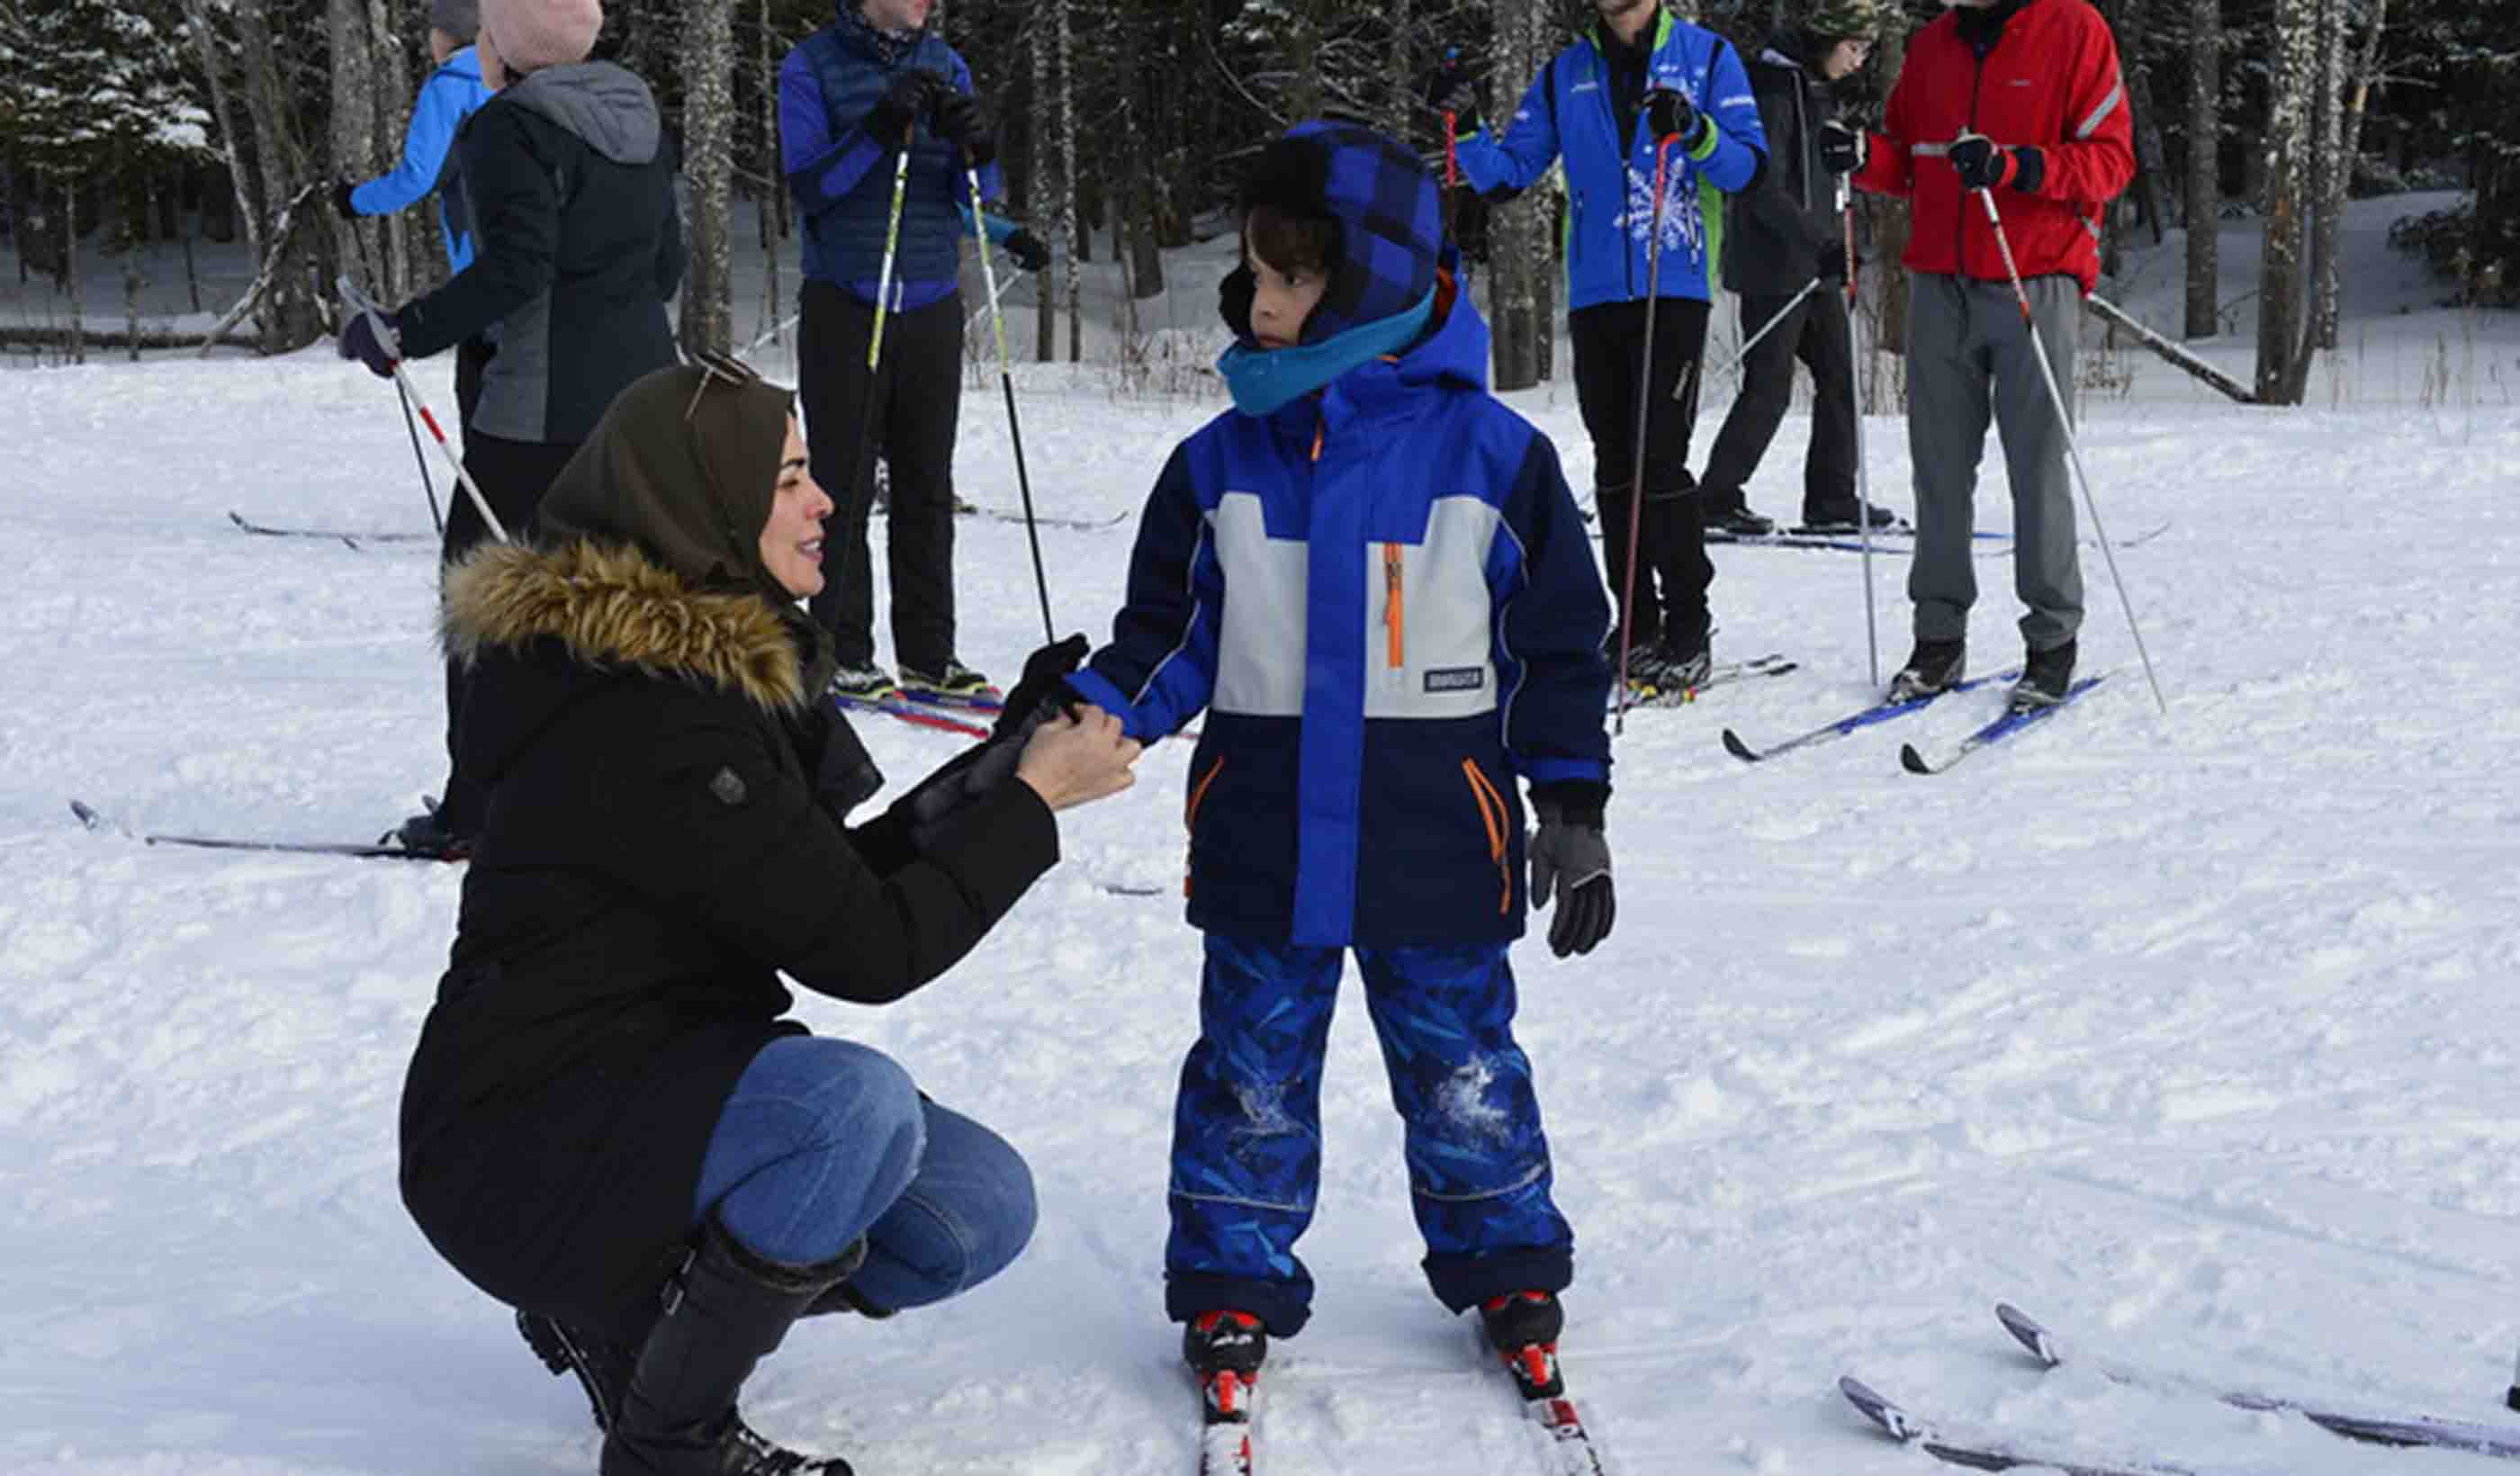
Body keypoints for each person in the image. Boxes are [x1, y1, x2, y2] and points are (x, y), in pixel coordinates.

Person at [398, 360, 1142, 1476]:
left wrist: (1004, 765)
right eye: (789, 473)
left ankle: (622, 1316)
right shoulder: (642, 712)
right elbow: (869, 946)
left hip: (657, 1091)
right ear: (699, 497)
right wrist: (1035, 802)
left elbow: (821, 881)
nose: (825, 497)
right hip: (525, 1140)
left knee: (972, 1208)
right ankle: (669, 1438)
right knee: (851, 1109)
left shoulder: (695, 669)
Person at [1059, 122, 1617, 1408]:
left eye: (1295, 275)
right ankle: (1231, 1274)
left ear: (1370, 281)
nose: (1261, 300)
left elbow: (1559, 651)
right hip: (1264, 837)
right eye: (1255, 270)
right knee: (1249, 1074)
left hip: (1437, 837)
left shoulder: (1493, 460)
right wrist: (1091, 716)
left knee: (1464, 1072)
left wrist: (1571, 803)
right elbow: (1171, 634)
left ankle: (1505, 1261)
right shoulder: (1218, 463)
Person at [338, 0, 687, 854]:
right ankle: (635, 793)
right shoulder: (637, 115)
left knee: (484, 603)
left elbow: (517, 272)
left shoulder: (509, 129)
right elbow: (668, 263)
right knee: (618, 600)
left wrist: (401, 330)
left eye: (490, 31)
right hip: (644, 394)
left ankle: (479, 811)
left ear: (507, 46)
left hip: (538, 405)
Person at [1435, 0, 1765, 692]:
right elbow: (1505, 176)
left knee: (1659, 457)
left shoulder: (1707, 57)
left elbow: (1746, 170)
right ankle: (1635, 622)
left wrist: (1696, 130)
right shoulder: (1566, 73)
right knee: (1615, 462)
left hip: (1670, 281)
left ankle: (1687, 624)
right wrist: (1463, 124)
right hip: (1595, 291)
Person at [1821, 0, 2132, 708]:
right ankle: (1937, 640)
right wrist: (1865, 156)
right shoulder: (1933, 46)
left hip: (2034, 277)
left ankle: (2051, 642)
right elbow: (1909, 160)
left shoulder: (2073, 27)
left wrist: (2018, 166)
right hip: (1940, 283)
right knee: (1937, 468)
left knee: (2037, 465)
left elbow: (2111, 162)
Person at [779, 0, 1052, 706]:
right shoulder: (811, 67)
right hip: (849, 299)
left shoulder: (946, 63)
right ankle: (842, 650)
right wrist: (876, 130)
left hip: (930, 300)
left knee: (926, 483)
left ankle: (931, 655)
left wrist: (981, 153)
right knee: (840, 482)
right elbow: (811, 189)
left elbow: (968, 196)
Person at [1696, 0, 1899, 537]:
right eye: (1854, 48)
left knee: (1839, 377)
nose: (1859, 60)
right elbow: (1761, 185)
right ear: (1827, 40)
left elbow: (1820, 173)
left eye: (1867, 50)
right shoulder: (1770, 86)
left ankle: (1831, 498)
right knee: (1770, 385)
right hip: (1775, 263)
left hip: (1818, 262)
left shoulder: (1817, 87)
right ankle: (1715, 497)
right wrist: (1816, 239)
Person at [331, 0, 496, 431]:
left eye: (433, 31)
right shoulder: (517, 77)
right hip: (535, 257)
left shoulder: (451, 85)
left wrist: (355, 201)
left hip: (479, 255)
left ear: (447, 34)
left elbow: (418, 177)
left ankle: (490, 486)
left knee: (480, 391)